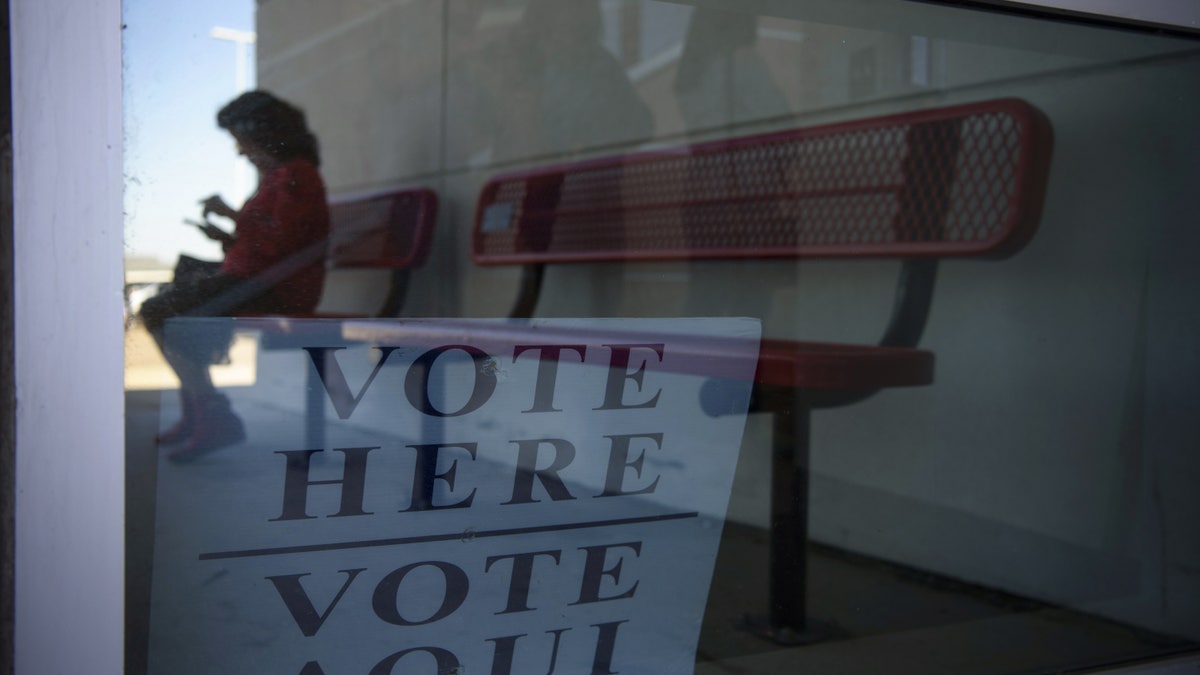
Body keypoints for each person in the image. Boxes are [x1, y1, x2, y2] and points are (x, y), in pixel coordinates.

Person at [140, 90, 330, 461]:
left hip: (280, 288)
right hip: (265, 280)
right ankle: (200, 414)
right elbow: (268, 244)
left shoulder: (296, 175)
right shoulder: (280, 176)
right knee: (174, 294)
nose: (240, 151)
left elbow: (284, 246)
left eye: (240, 140)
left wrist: (231, 215)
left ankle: (212, 416)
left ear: (261, 132)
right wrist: (227, 236)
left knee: (160, 311)